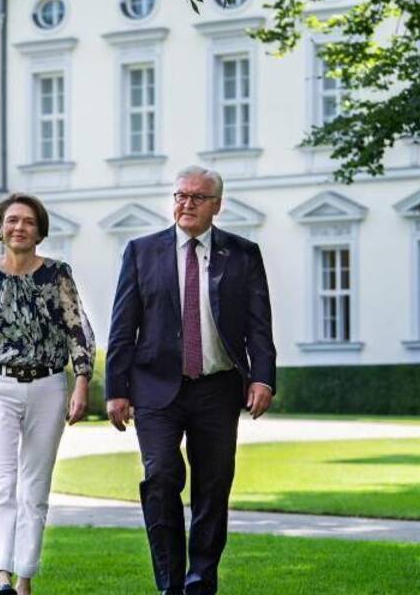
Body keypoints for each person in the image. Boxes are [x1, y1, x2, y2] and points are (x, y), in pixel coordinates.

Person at [105, 166, 277, 595]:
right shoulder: (142, 252)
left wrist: (263, 378)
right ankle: (170, 585)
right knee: (161, 477)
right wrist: (116, 389)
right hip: (155, 387)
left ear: (217, 205)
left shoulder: (242, 254)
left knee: (213, 488)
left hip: (218, 388)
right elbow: (123, 327)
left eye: (198, 197)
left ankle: (200, 583)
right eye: (181, 195)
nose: (187, 204)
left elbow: (259, 324)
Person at [0, 192, 95, 595]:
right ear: (1, 227)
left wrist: (82, 380)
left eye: (28, 221)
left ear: (39, 231)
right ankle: (1, 578)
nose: (19, 227)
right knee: (0, 481)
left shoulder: (58, 274)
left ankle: (24, 576)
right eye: (12, 220)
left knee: (35, 486)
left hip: (48, 386)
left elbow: (78, 329)